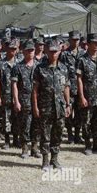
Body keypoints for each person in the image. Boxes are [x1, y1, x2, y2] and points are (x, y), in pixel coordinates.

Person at [33, 38, 70, 170]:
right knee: (45, 134)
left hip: (59, 107)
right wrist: (36, 107)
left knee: (58, 133)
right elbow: (35, 90)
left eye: (56, 52)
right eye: (51, 51)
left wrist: (68, 104)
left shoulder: (63, 69)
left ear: (59, 52)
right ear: (47, 52)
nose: (53, 54)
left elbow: (66, 87)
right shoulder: (39, 69)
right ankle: (45, 161)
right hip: (45, 107)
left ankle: (55, 159)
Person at [12, 39, 41, 159]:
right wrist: (16, 101)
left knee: (37, 124)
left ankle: (34, 148)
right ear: (23, 52)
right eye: (28, 50)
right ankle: (24, 148)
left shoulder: (40, 66)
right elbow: (14, 85)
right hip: (24, 100)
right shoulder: (18, 67)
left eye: (32, 50)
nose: (30, 52)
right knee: (24, 125)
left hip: (38, 101)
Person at [60, 30, 85, 144]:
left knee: (80, 113)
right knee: (68, 112)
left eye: (77, 40)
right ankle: (70, 134)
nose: (75, 42)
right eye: (73, 40)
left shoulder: (84, 53)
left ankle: (77, 135)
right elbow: (61, 71)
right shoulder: (64, 54)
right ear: (69, 40)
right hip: (68, 88)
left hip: (81, 89)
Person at [0, 39, 19, 149]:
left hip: (17, 97)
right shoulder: (1, 64)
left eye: (14, 49)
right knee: (6, 119)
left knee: (17, 119)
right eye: (11, 49)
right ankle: (7, 141)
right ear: (7, 49)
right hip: (5, 95)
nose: (12, 51)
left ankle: (16, 139)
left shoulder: (19, 63)